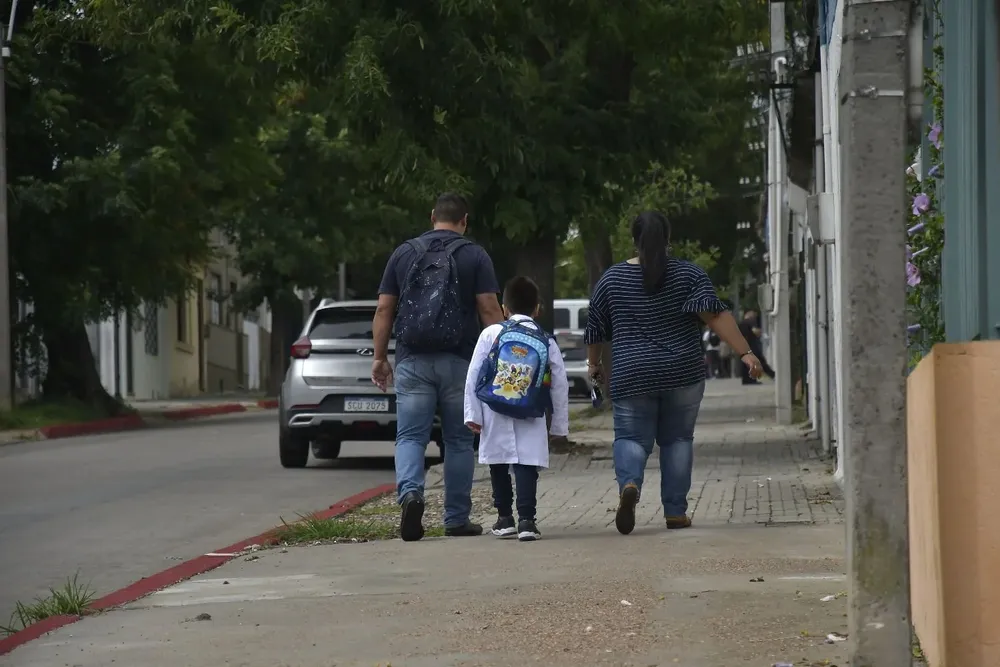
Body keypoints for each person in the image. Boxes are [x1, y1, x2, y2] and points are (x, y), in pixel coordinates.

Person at [584, 211, 764, 535]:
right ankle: (675, 512)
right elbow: (716, 316)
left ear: (635, 239)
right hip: (681, 370)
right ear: (668, 238)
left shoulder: (611, 279)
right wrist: (746, 352)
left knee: (630, 438)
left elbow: (595, 328)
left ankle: (630, 485)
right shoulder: (688, 275)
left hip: (631, 372)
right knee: (677, 439)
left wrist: (593, 365)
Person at [372, 193, 505, 542]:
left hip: (413, 360)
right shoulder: (474, 254)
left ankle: (411, 495)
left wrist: (379, 357)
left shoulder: (404, 253)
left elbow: (385, 309)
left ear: (432, 216)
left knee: (410, 435)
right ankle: (456, 518)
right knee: (459, 440)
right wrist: (500, 355)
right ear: (464, 221)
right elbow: (489, 309)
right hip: (460, 360)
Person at [463, 276, 569, 542]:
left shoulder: (491, 334)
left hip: (495, 407)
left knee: (498, 460)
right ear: (537, 309)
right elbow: (560, 385)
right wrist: (559, 427)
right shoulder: (546, 340)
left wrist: (472, 415)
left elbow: (474, 375)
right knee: (527, 461)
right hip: (531, 410)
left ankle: (504, 519)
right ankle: (527, 521)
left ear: (504, 308)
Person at [737, 309, 775, 385]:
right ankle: (773, 375)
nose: (754, 318)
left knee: (746, 364)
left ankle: (747, 380)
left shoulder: (741, 324)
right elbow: (755, 331)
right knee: (760, 362)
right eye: (753, 316)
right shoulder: (749, 323)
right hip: (751, 347)